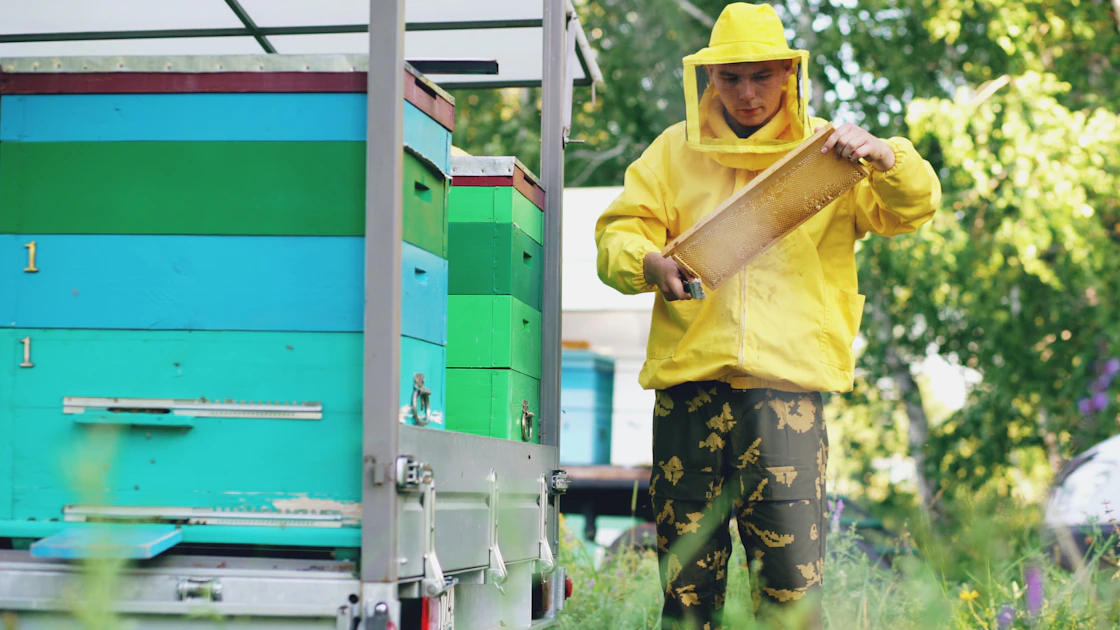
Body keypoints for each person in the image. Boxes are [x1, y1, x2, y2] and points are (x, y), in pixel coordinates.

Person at [594, 3, 941, 629]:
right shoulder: (672, 151)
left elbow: (910, 210)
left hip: (787, 394)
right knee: (686, 592)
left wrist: (888, 156)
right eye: (732, 78)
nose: (748, 93)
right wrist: (648, 262)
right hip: (688, 393)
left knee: (791, 593)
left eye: (761, 76)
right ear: (709, 77)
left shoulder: (831, 150)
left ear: (787, 73)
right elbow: (617, 236)